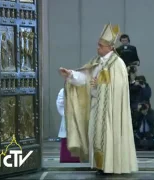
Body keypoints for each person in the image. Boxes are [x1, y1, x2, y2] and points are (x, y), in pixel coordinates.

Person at [58, 23, 138, 175]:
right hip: (97, 107)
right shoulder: (97, 61)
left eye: (100, 45)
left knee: (109, 137)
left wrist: (99, 85)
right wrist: (71, 74)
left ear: (109, 47)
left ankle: (111, 166)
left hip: (110, 111)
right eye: (98, 45)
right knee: (95, 137)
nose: (98, 48)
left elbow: (119, 87)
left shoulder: (117, 63)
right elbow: (86, 78)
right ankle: (100, 165)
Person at [56, 88, 80, 163]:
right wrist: (68, 114)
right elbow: (59, 104)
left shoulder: (85, 89)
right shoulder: (64, 90)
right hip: (69, 120)